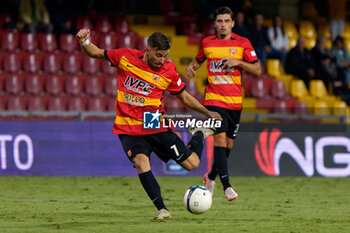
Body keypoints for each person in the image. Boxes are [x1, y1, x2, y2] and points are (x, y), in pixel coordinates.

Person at [76, 29, 222, 220]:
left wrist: (207, 112)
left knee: (192, 164)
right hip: (127, 126)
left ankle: (200, 133)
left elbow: (184, 97)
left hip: (155, 124)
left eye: (165, 56)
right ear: (149, 50)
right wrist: (85, 42)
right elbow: (95, 52)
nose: (162, 60)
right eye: (159, 55)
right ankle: (162, 209)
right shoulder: (125, 57)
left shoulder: (168, 71)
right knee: (140, 162)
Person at [186, 6, 261, 201]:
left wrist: (239, 63)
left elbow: (257, 70)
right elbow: (198, 60)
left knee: (228, 145)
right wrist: (192, 67)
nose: (223, 25)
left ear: (233, 23)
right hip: (213, 100)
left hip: (235, 102)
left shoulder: (243, 43)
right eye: (219, 21)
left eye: (226, 21)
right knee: (219, 140)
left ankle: (210, 177)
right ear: (215, 24)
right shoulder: (207, 43)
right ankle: (227, 187)